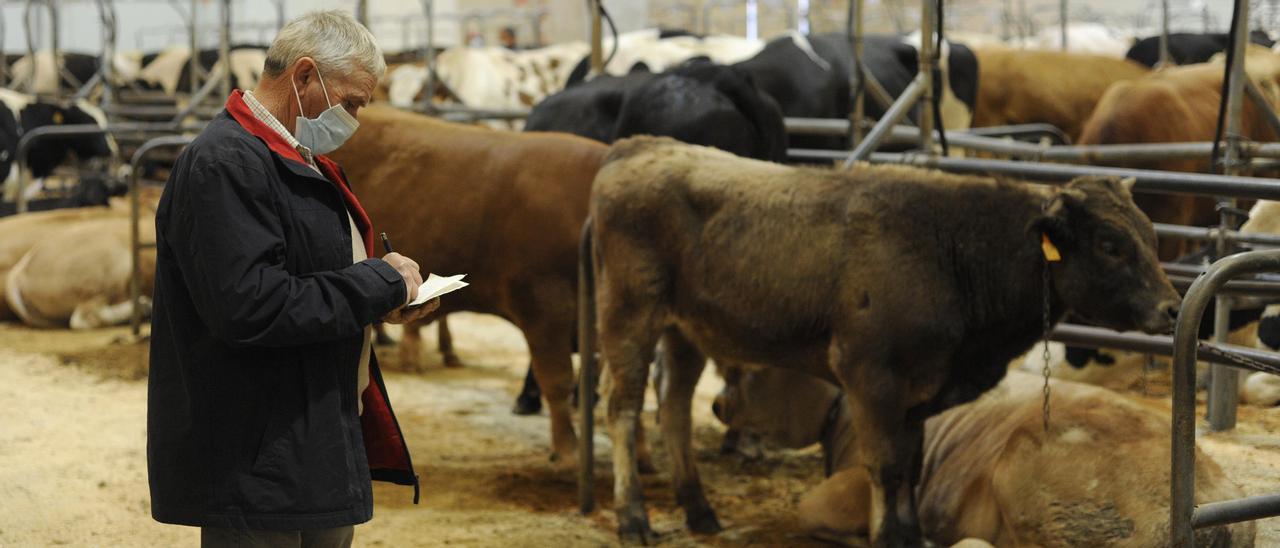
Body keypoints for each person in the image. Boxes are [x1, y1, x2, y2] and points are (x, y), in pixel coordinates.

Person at [147, 11, 435, 547]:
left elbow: (308, 278)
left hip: (309, 433)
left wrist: (383, 300)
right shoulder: (225, 163)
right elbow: (252, 305)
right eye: (350, 102)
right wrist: (376, 283)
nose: (354, 119)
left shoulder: (298, 158)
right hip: (256, 452)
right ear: (304, 77)